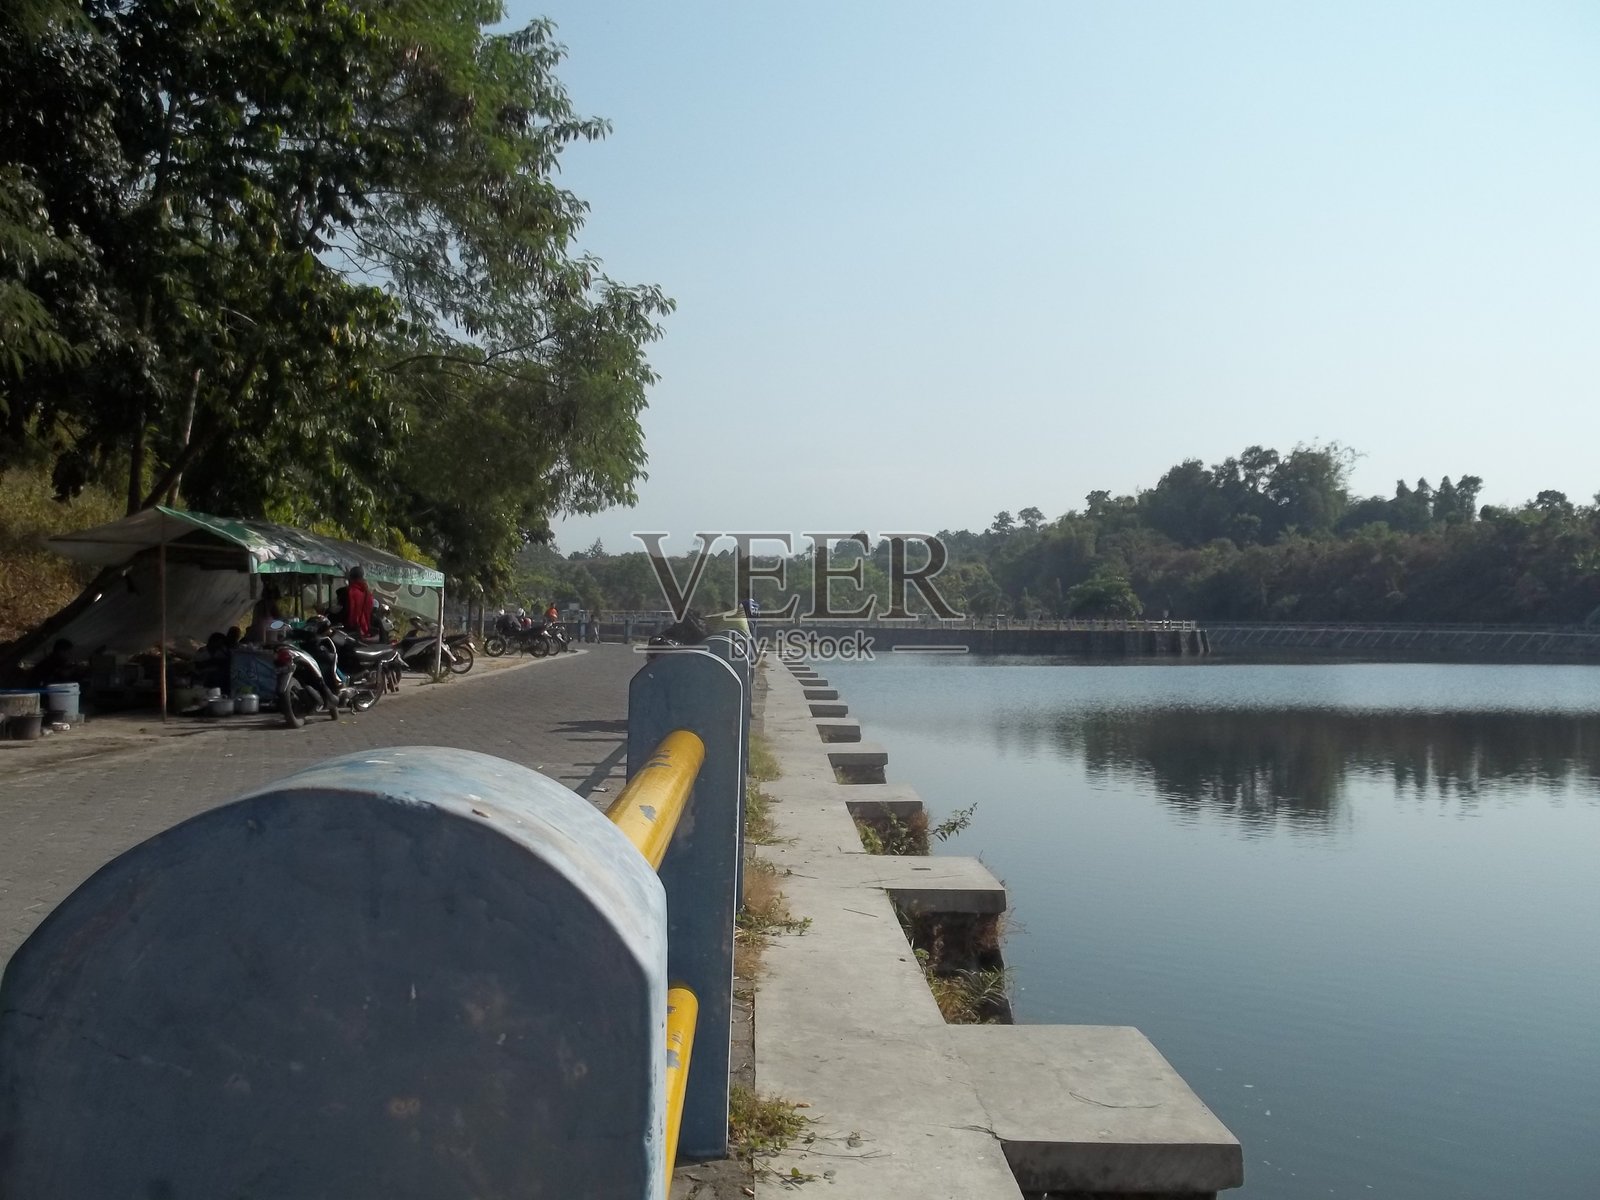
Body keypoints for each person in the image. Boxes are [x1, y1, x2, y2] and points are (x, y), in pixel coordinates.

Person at [345, 566, 373, 639]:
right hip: (365, 630)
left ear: (351, 577)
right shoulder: (368, 593)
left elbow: (348, 611)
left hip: (352, 630)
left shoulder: (351, 592)